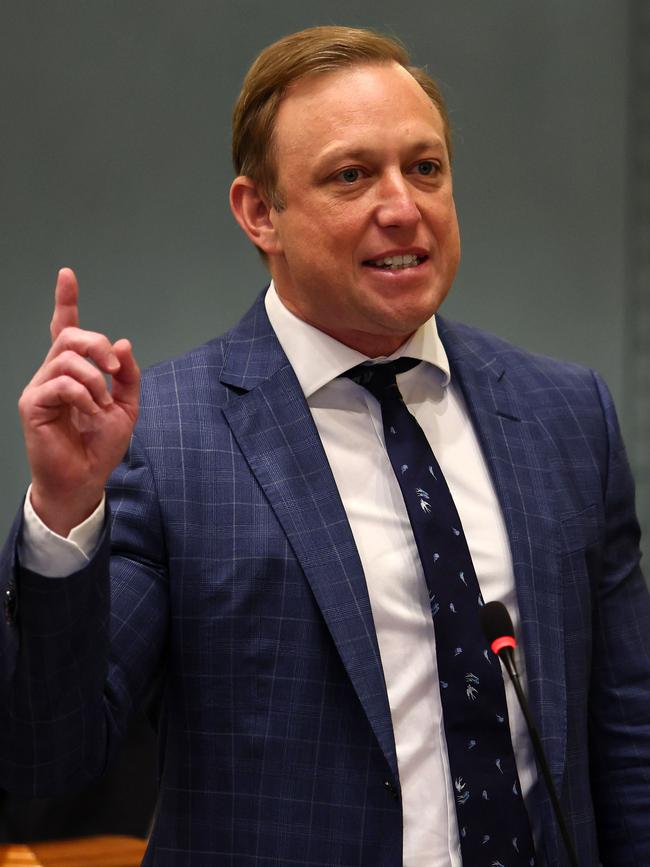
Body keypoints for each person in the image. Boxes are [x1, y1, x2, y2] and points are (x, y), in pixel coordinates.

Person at [1, 24, 649, 867]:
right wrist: (62, 513)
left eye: (425, 168)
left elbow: (628, 737)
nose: (402, 207)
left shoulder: (567, 417)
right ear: (259, 213)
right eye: (352, 175)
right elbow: (51, 752)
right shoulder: (167, 439)